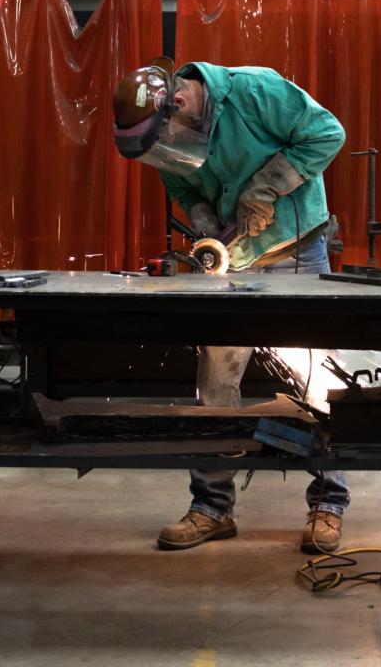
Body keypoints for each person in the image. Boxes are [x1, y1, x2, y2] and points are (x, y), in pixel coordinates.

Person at [112, 57, 349, 554]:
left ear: (178, 102)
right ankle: (212, 508)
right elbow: (180, 185)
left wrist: (267, 184)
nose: (165, 149)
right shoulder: (172, 133)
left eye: (164, 136)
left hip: (295, 248)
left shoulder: (256, 90)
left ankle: (328, 502)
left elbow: (328, 133)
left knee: (316, 381)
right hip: (231, 261)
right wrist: (202, 218)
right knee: (215, 381)